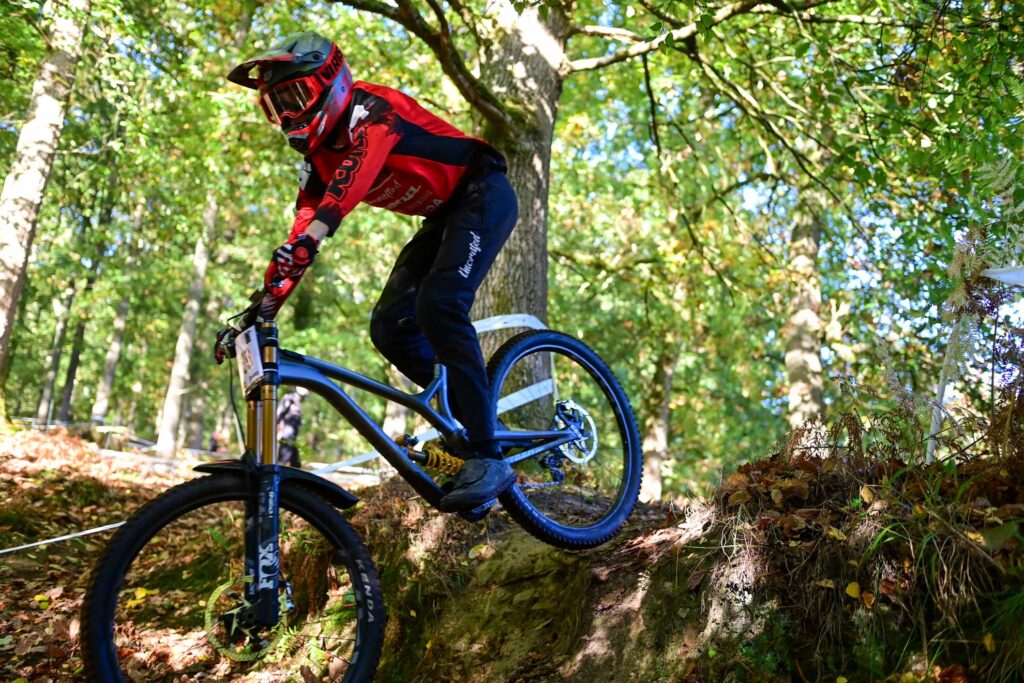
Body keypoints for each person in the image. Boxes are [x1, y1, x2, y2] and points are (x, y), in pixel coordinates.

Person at [225, 31, 518, 512]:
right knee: (388, 327)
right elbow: (299, 239)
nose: (288, 117)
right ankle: (470, 417)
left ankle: (488, 455)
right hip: (443, 217)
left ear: (331, 82)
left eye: (294, 98)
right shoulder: (317, 160)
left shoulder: (374, 110)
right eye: (275, 109)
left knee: (440, 304)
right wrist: (261, 308)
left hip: (482, 193)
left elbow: (356, 171)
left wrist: (317, 231)